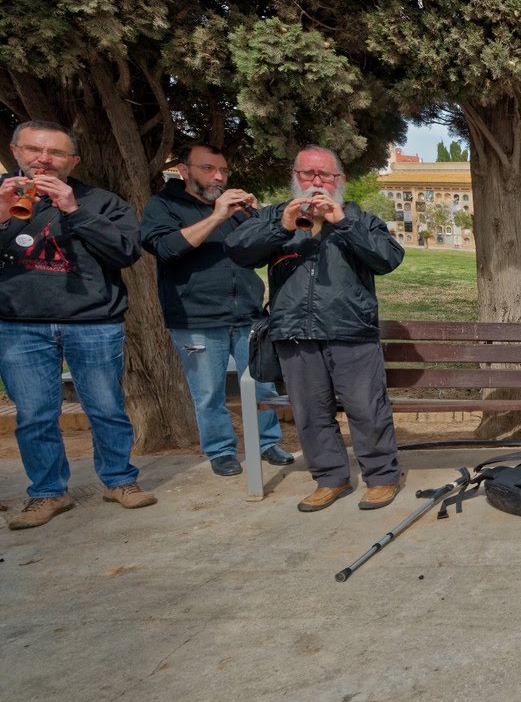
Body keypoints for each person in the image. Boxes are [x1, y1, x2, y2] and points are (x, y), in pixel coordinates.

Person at [226, 145, 405, 512]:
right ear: (296, 177)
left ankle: (382, 477)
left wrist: (343, 223)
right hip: (294, 332)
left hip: (351, 331)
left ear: (340, 180)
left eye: (325, 175)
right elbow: (239, 251)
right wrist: (282, 226)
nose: (317, 182)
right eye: (309, 174)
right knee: (310, 413)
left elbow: (389, 258)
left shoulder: (360, 218)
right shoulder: (276, 216)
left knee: (367, 409)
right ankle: (330, 479)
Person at [0, 120, 155, 529]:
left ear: (74, 161)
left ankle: (120, 480)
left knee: (106, 407)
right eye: (34, 150)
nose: (44, 160)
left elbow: (125, 252)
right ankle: (48, 493)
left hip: (93, 322)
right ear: (16, 151)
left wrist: (74, 209)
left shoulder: (101, 201)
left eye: (56, 154)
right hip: (19, 324)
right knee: (34, 414)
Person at [139, 143, 296, 478]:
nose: (218, 177)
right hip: (196, 317)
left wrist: (257, 215)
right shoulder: (163, 205)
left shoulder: (236, 209)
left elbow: (269, 249)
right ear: (184, 170)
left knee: (263, 383)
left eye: (223, 170)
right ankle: (221, 450)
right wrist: (216, 217)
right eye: (209, 169)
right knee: (209, 392)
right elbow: (165, 248)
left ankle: (267, 442)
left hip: (248, 314)